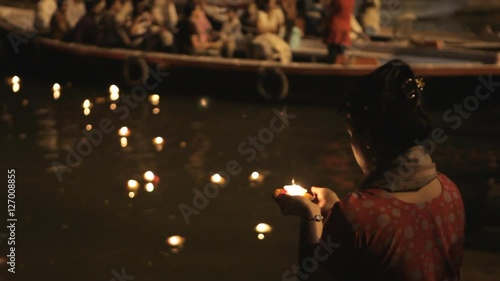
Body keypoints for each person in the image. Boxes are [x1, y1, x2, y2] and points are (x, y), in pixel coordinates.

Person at [273, 60, 465, 281]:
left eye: (351, 136)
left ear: (366, 139)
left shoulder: (358, 214)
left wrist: (311, 215)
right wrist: (337, 210)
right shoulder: (450, 191)